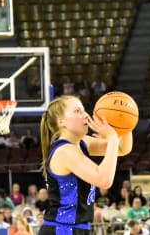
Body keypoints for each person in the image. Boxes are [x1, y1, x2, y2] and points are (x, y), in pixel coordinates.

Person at [38, 95, 133, 235]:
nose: (85, 115)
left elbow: (122, 148)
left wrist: (124, 120)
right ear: (61, 121)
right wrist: (112, 137)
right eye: (77, 111)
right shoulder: (65, 151)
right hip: (61, 229)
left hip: (77, 228)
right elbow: (104, 180)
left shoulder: (82, 143)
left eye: (83, 110)